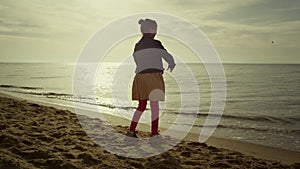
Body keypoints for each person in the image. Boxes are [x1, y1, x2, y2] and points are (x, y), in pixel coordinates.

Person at [127, 18, 176, 137]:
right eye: (155, 29)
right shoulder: (156, 43)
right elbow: (165, 55)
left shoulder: (137, 45)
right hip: (153, 76)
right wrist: (171, 63)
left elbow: (136, 59)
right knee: (154, 106)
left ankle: (131, 130)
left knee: (141, 106)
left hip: (140, 77)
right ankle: (154, 132)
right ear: (152, 30)